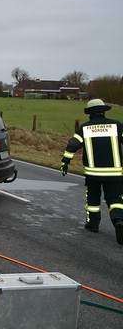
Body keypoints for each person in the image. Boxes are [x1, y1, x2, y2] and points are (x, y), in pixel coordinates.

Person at [61, 98, 123, 244]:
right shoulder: (117, 126)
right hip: (115, 173)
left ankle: (93, 224)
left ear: (89, 113)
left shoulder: (84, 128)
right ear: (103, 111)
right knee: (115, 199)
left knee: (93, 199)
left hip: (93, 174)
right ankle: (119, 220)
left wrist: (65, 162)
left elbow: (72, 146)